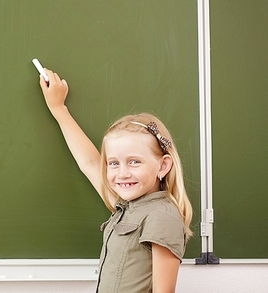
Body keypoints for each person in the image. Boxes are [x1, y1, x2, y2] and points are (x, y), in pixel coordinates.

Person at [38, 68, 193, 293]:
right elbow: (91, 163)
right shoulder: (127, 206)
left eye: (134, 162)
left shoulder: (161, 216)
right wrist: (58, 108)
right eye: (113, 163)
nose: (122, 174)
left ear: (163, 165)